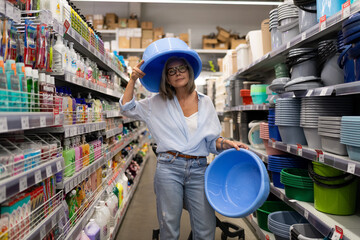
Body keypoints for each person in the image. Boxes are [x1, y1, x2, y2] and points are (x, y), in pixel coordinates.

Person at [120, 54, 248, 240]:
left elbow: (211, 142)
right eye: (171, 71)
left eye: (181, 68)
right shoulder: (155, 103)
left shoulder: (205, 102)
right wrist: (132, 80)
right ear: (167, 78)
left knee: (206, 228)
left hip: (199, 169)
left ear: (189, 71)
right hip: (169, 168)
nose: (177, 73)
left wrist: (225, 143)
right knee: (169, 228)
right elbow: (126, 108)